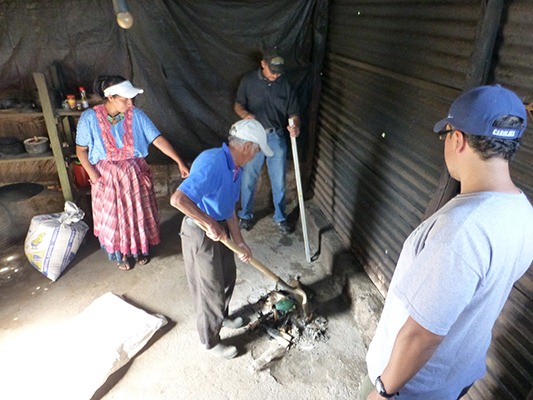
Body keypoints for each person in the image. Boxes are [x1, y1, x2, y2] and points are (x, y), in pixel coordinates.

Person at [360, 85, 533, 400]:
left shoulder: (463, 229)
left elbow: (422, 335)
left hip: (411, 387)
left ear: (458, 139)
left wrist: (383, 390)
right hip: (456, 375)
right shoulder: (523, 212)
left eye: (448, 134)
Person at [170, 119, 273, 359]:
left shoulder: (236, 168)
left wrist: (240, 242)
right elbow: (178, 200)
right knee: (210, 289)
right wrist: (208, 223)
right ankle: (210, 341)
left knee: (227, 276)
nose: (257, 156)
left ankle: (222, 317)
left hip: (219, 228)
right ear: (247, 146)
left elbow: (228, 209)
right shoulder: (213, 162)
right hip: (199, 231)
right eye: (257, 150)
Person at [76, 75, 189, 270]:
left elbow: (157, 139)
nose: (130, 103)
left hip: (135, 175)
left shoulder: (136, 115)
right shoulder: (89, 118)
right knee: (116, 218)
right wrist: (94, 176)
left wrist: (179, 161)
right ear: (110, 97)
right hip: (108, 178)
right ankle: (121, 255)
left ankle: (139, 251)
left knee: (138, 214)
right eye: (125, 99)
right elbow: (81, 151)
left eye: (131, 99)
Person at [233, 48, 301, 234]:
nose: (276, 75)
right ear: (263, 64)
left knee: (278, 179)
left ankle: (280, 217)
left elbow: (294, 113)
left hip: (276, 136)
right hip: (253, 138)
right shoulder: (248, 81)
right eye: (273, 71)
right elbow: (238, 103)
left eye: (279, 71)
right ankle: (245, 216)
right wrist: (245, 114)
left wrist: (295, 125)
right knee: (248, 178)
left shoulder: (285, 84)